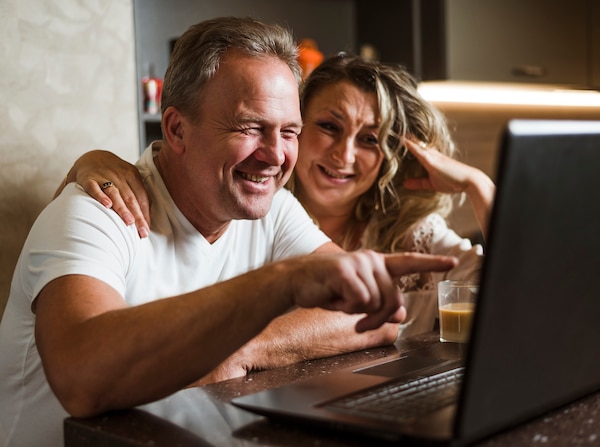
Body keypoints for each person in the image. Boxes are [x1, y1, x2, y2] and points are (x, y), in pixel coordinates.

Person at [0, 18, 458, 447]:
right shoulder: (95, 211)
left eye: (290, 132)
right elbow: (83, 381)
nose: (276, 155)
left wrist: (244, 347)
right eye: (251, 127)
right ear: (177, 129)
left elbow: (381, 313)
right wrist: (281, 284)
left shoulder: (275, 207)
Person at [66, 54, 494, 340]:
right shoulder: (245, 209)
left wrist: (479, 185)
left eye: (369, 139)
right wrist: (88, 162)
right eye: (328, 126)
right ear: (293, 126)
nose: (344, 155)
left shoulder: (411, 233)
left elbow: (518, 293)